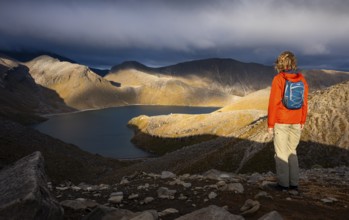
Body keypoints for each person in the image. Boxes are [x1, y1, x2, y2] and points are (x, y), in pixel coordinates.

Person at [267, 51, 308, 191]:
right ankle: (294, 184)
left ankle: (283, 185)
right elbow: (304, 102)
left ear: (279, 64)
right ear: (293, 64)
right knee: (292, 152)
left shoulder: (279, 79)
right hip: (297, 121)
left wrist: (270, 124)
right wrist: (302, 120)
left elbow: (273, 103)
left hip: (282, 122)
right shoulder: (302, 79)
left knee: (281, 154)